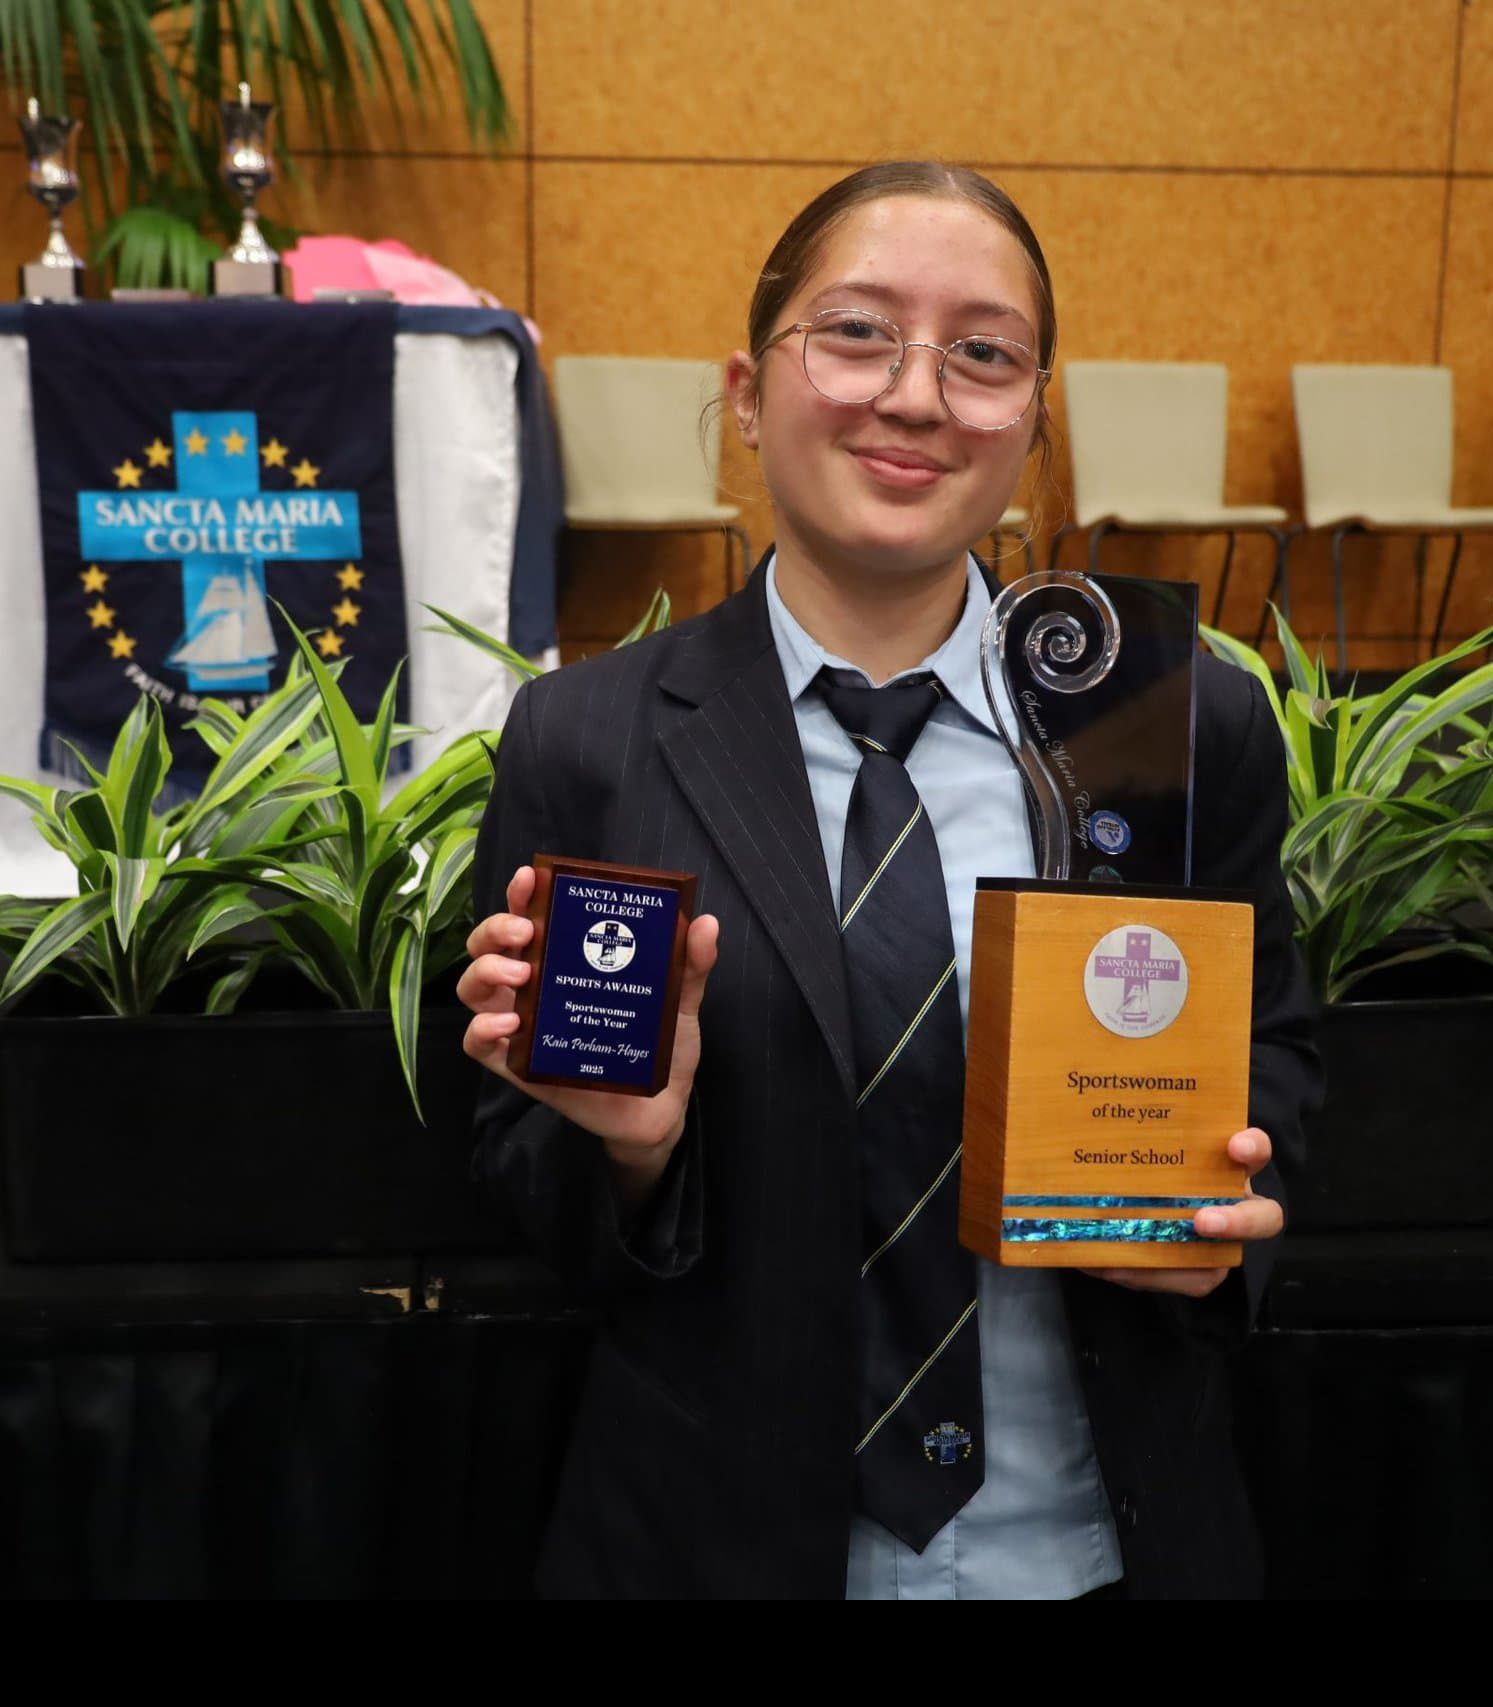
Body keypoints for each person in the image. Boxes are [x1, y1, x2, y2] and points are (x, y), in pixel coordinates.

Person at [459, 161, 1320, 1600]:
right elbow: (516, 1177)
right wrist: (629, 1150)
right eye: (856, 334)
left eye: (983, 355)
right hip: (718, 1548)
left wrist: (1227, 1219)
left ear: (1032, 418)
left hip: (1096, 1546)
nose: (916, 396)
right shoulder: (592, 741)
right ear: (748, 394)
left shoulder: (1163, 724)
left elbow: (1270, 1052)